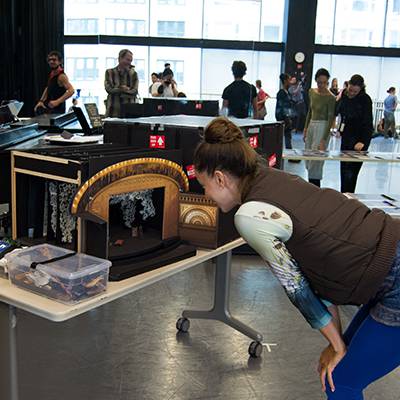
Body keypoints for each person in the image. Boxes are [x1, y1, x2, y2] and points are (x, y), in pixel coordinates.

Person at [193, 116, 400, 400]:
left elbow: (298, 289)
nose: (205, 194)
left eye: (204, 185)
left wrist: (337, 345)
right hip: (386, 261)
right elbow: (314, 273)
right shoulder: (271, 177)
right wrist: (336, 342)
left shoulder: (251, 216)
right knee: (339, 375)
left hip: (392, 276)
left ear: (220, 177)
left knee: (341, 382)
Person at [336, 74, 373, 193]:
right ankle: (344, 198)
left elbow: (368, 123)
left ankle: (350, 199)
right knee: (344, 172)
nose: (351, 93)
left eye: (355, 91)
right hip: (346, 139)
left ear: (361, 89)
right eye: (350, 90)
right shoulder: (345, 96)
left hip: (359, 142)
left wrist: (363, 141)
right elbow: (340, 113)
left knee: (351, 175)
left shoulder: (365, 99)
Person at [303, 68, 336, 187]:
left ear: (327, 82)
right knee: (308, 156)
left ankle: (315, 186)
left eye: (324, 83)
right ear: (316, 81)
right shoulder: (312, 92)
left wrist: (323, 139)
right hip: (312, 124)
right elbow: (310, 111)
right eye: (319, 82)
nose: (321, 85)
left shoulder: (331, 97)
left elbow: (331, 118)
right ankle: (311, 185)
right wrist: (305, 128)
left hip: (323, 127)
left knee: (316, 159)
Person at [34, 51, 75, 115]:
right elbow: (48, 88)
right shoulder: (52, 74)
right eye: (50, 60)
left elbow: (71, 90)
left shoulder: (61, 76)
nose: (51, 62)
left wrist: (57, 101)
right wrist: (41, 101)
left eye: (54, 60)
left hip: (57, 112)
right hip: (49, 109)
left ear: (60, 61)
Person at [104, 49, 138, 117]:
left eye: (130, 60)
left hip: (129, 113)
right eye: (127, 60)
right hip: (113, 112)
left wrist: (118, 89)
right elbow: (109, 89)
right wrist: (123, 89)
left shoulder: (133, 74)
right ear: (119, 59)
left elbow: (135, 91)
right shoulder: (109, 72)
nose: (129, 63)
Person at [275, 73, 295, 150]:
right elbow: (281, 107)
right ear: (285, 81)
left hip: (287, 119)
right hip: (283, 119)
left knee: (288, 137)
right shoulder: (281, 93)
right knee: (281, 138)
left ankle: (289, 152)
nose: (290, 82)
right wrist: (286, 118)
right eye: (289, 80)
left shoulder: (287, 93)